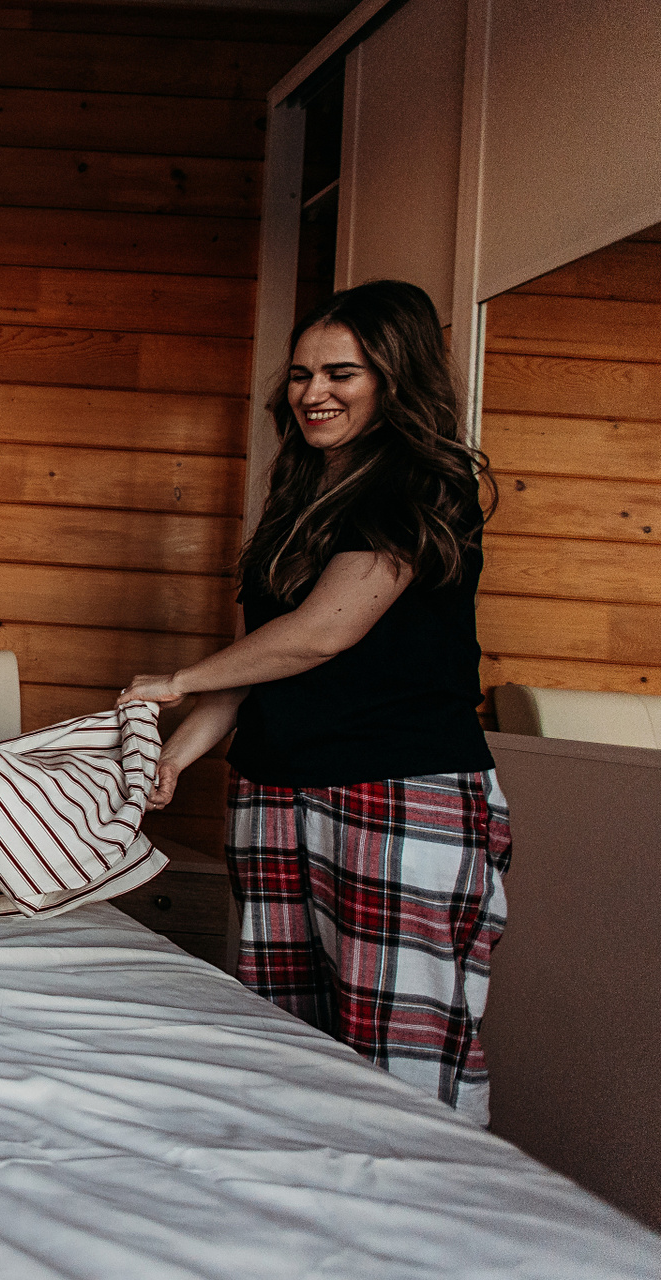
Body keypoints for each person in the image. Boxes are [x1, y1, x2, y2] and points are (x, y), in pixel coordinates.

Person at [118, 280, 509, 1121]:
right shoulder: (299, 499)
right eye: (300, 374)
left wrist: (177, 681)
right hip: (276, 789)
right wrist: (177, 755)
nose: (313, 393)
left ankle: (427, 1191)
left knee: (400, 1046)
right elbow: (264, 658)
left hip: (395, 788)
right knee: (287, 1039)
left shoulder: (419, 485)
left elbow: (323, 632)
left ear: (395, 379)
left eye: (341, 373)